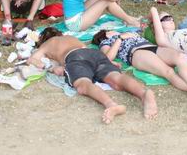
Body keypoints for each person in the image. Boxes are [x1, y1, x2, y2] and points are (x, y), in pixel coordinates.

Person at [27, 27, 157, 123]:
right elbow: (86, 53)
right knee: (115, 78)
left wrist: (49, 67)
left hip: (75, 57)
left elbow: (32, 60)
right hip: (94, 54)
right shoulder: (71, 38)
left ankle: (111, 104)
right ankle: (143, 93)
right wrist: (109, 62)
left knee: (83, 84)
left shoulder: (47, 44)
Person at [92, 30, 187, 98]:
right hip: (136, 53)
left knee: (179, 58)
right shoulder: (107, 41)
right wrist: (119, 38)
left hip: (151, 47)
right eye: (111, 30)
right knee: (168, 71)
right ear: (107, 33)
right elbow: (108, 57)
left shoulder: (129, 32)